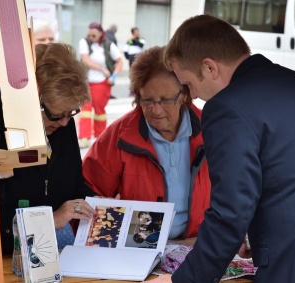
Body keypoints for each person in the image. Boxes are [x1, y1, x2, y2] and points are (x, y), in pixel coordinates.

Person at [146, 14, 295, 283]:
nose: (191, 95)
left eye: (187, 83)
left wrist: (183, 280)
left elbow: (229, 213)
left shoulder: (226, 108)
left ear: (209, 68)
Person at [0, 43, 98, 259]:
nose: (65, 123)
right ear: (30, 101)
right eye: (57, 115)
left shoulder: (58, 121)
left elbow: (73, 184)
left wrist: (99, 205)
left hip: (36, 252)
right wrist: (51, 219)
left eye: (71, 113)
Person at [82, 46, 211, 240]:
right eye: (148, 101)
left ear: (184, 95)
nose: (156, 111)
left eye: (166, 100)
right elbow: (89, 193)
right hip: (136, 246)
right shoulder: (118, 137)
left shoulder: (211, 131)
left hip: (196, 242)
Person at [78, 21, 123, 148]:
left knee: (99, 110)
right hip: (86, 81)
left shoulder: (108, 45)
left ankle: (100, 136)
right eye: (89, 35)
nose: (90, 38)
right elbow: (85, 61)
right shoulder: (84, 42)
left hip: (102, 83)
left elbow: (120, 61)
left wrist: (113, 76)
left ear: (100, 34)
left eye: (93, 35)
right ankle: (84, 137)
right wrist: (102, 69)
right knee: (85, 109)